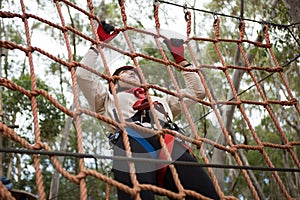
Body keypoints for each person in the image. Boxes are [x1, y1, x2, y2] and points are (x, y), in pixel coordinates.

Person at [76, 21, 220, 200]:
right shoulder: (106, 99)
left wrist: (180, 59)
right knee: (138, 195)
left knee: (206, 195)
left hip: (168, 142)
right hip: (132, 139)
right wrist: (98, 44)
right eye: (124, 72)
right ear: (114, 82)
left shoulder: (162, 100)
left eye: (134, 72)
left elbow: (197, 92)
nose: (131, 73)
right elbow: (82, 75)